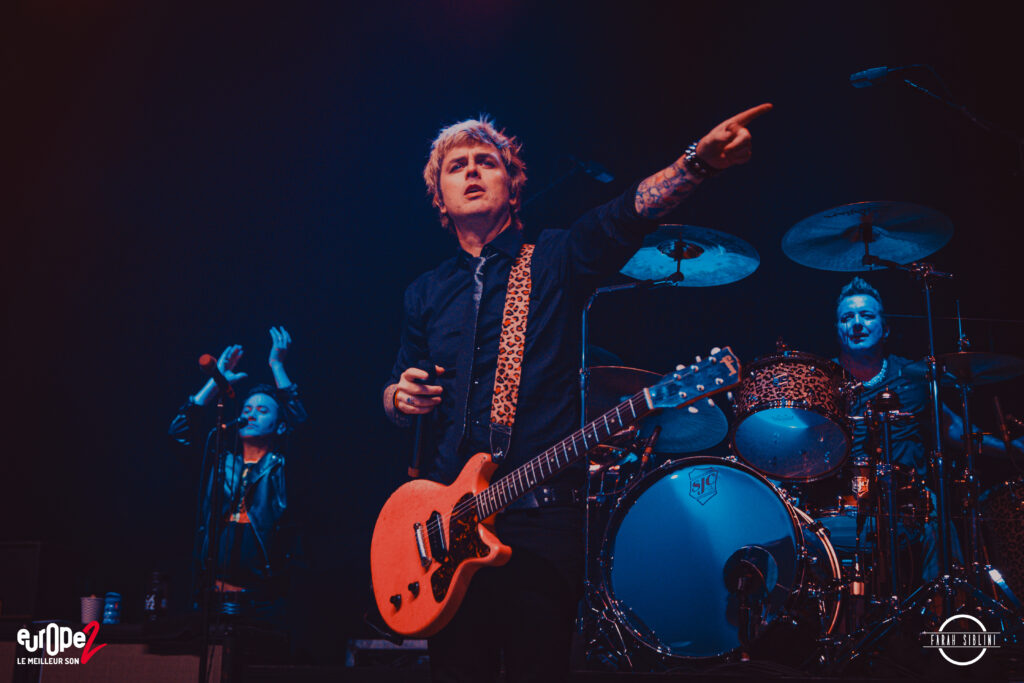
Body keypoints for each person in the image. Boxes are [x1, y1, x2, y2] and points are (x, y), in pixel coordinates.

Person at [382, 107, 771, 682]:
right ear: (438, 197)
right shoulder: (424, 292)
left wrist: (697, 164)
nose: (470, 172)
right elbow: (397, 389)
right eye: (456, 166)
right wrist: (399, 397)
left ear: (513, 188)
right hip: (444, 530)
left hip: (540, 522)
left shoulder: (557, 258)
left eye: (485, 162)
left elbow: (623, 217)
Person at [830, 277, 1023, 585]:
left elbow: (956, 430)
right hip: (849, 500)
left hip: (911, 497)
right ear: (837, 329)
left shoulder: (913, 376)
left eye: (867, 315)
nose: (856, 323)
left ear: (886, 327)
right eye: (846, 317)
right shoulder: (825, 383)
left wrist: (1012, 449)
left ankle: (945, 614)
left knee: (935, 513)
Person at [169, 326, 307, 623]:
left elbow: (302, 428)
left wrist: (278, 366)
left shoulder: (283, 467)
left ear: (279, 427)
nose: (251, 414)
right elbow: (178, 433)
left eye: (262, 411)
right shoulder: (219, 461)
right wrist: (213, 385)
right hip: (210, 600)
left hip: (263, 606)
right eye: (248, 408)